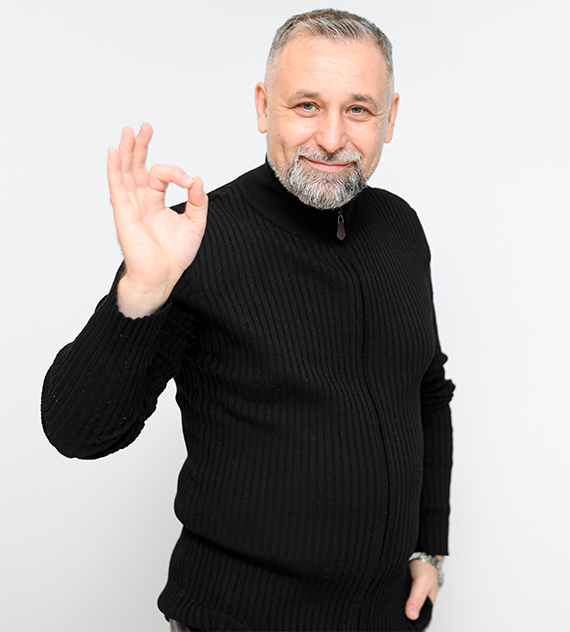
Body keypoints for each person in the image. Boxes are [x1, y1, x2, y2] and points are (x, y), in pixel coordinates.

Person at [42, 9, 454, 632]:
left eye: (358, 110)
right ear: (264, 107)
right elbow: (76, 431)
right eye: (307, 105)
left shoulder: (400, 228)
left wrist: (430, 545)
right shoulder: (192, 241)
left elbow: (427, 390)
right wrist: (143, 290)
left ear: (390, 117)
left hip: (387, 619)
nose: (332, 137)